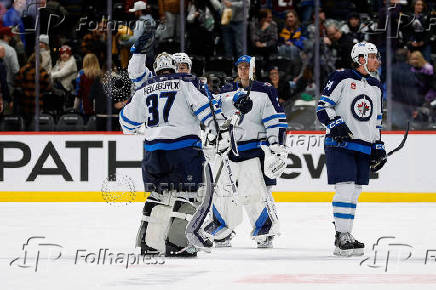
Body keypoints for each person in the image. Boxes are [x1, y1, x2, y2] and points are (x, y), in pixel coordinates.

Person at [119, 52, 225, 257]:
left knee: (159, 196)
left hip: (153, 152)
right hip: (183, 150)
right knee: (188, 194)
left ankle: (149, 243)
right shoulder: (184, 81)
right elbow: (206, 110)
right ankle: (179, 244)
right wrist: (220, 130)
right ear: (174, 69)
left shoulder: (145, 88)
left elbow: (126, 123)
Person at [204, 55, 288, 248]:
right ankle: (221, 229)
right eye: (240, 67)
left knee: (256, 192)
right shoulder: (227, 90)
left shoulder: (265, 90)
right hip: (229, 150)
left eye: (246, 67)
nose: (243, 70)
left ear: (253, 69)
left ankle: (264, 230)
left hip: (255, 149)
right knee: (224, 192)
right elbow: (213, 110)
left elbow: (275, 118)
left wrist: (276, 145)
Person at [316, 42, 385, 256]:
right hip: (340, 144)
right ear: (361, 58)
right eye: (373, 56)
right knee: (345, 188)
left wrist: (378, 145)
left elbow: (376, 121)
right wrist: (335, 124)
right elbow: (323, 107)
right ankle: (341, 235)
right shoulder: (341, 78)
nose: (378, 60)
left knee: (354, 191)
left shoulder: (375, 85)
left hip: (363, 145)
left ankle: (347, 235)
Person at [74, 54, 103, 121]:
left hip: (85, 105)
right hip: (99, 106)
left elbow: (78, 92)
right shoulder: (101, 74)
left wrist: (75, 107)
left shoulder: (81, 74)